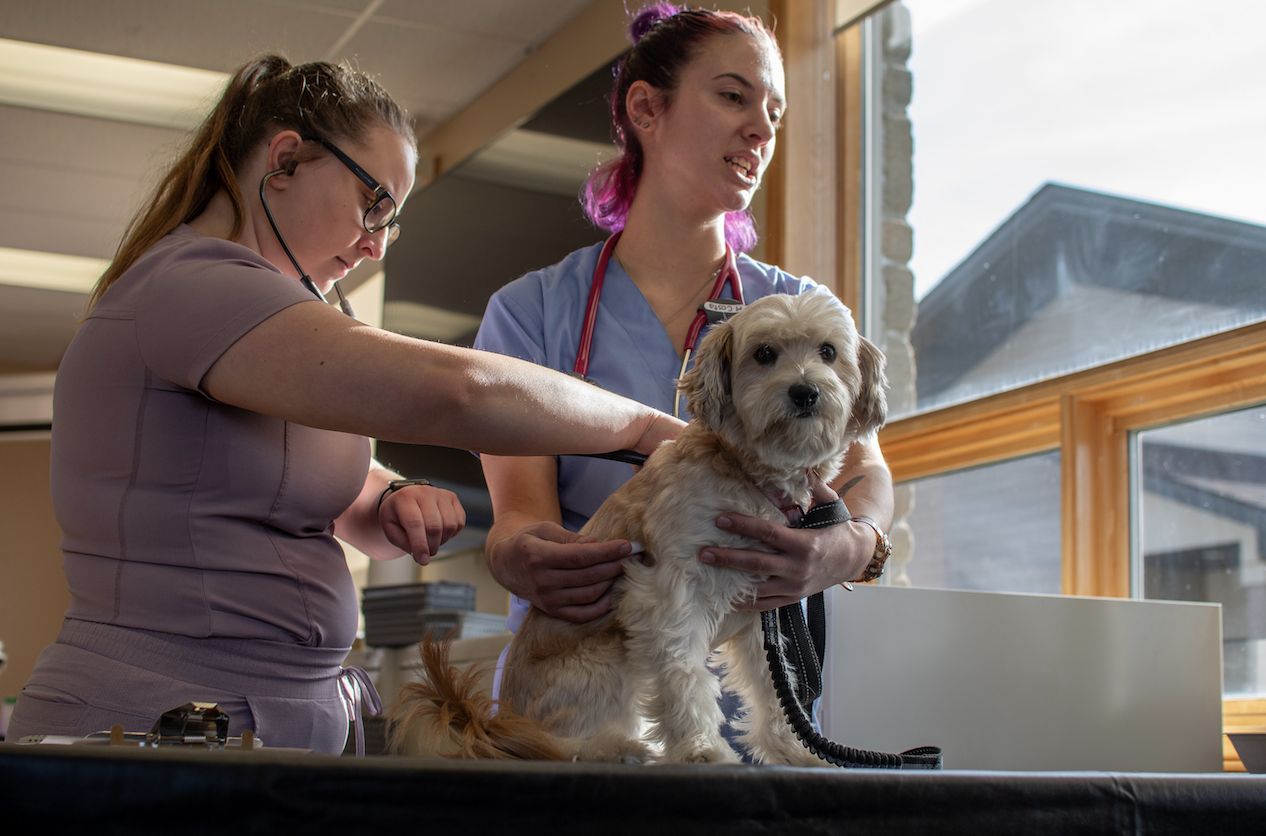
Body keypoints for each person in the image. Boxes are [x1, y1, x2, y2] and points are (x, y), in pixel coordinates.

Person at [6, 56, 683, 755]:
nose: (375, 243)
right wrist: (645, 427)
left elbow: (283, 479)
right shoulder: (190, 286)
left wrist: (388, 496)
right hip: (156, 723)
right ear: (287, 159)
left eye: (391, 223)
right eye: (373, 206)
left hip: (273, 723)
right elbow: (456, 393)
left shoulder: (275, 319)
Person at [475, 4, 895, 706]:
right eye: (734, 96)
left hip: (755, 700)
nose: (761, 128)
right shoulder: (532, 313)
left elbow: (866, 469)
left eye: (775, 112)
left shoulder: (798, 311)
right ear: (647, 108)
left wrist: (848, 547)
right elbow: (519, 512)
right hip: (587, 682)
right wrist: (520, 555)